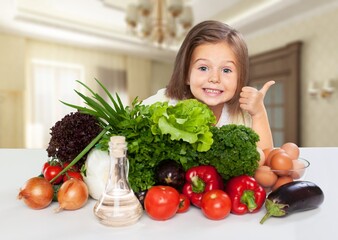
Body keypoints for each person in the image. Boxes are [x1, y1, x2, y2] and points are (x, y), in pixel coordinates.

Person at [142, 20, 274, 150]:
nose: (214, 78)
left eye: (226, 70)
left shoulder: (242, 115)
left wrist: (259, 113)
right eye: (203, 68)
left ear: (240, 77)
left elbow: (265, 158)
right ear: (186, 75)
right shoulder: (163, 103)